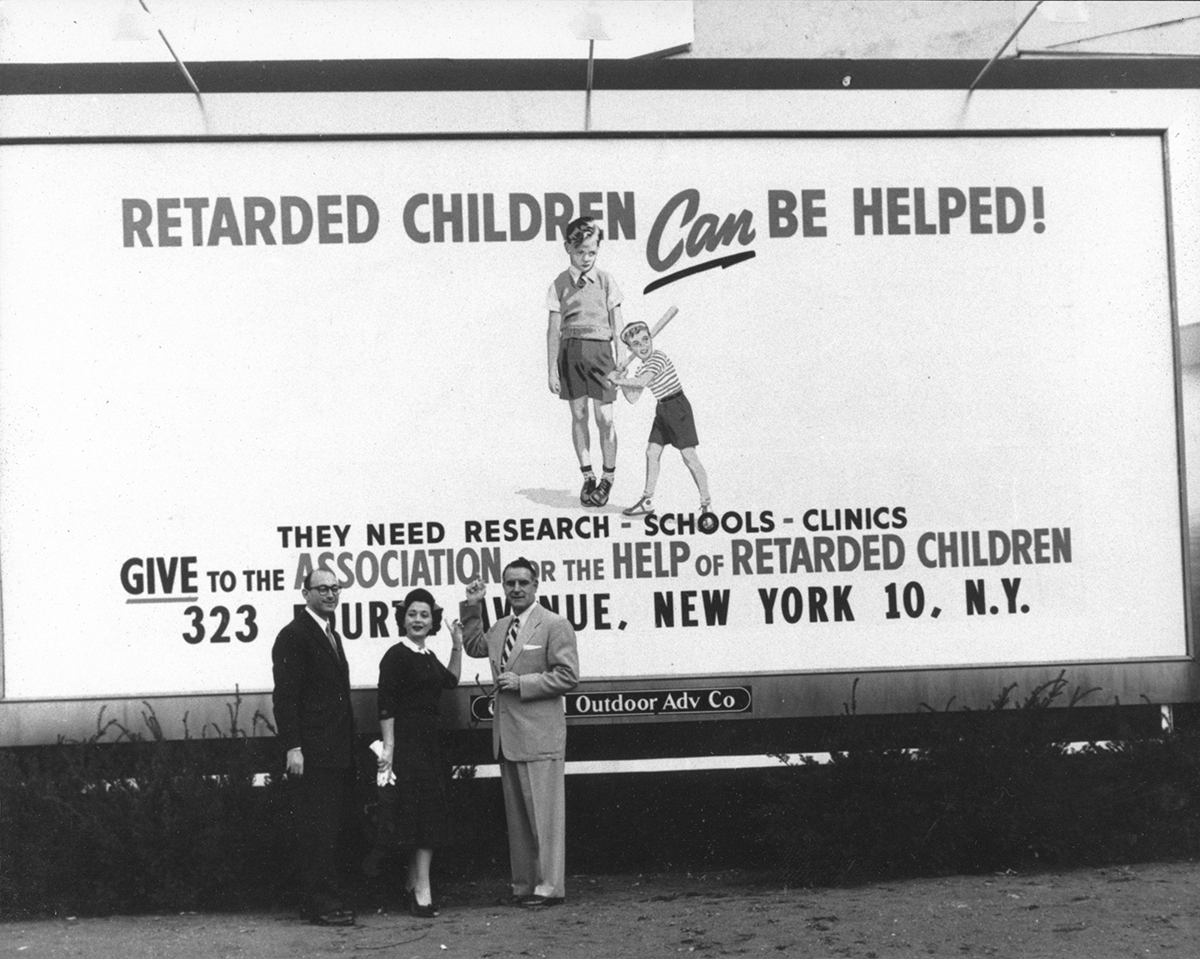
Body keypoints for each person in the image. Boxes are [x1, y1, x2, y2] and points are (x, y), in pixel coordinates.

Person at [460, 558, 579, 906]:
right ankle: (525, 885)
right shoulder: (499, 626)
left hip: (540, 738)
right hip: (508, 737)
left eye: (523, 583)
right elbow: (474, 647)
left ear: (536, 585)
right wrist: (472, 605)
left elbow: (568, 676)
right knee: (519, 823)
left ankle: (549, 887)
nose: (516, 589)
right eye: (510, 583)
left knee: (545, 819)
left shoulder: (554, 624)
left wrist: (521, 681)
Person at [271, 568, 358, 926]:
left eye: (335, 588)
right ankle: (323, 905)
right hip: (313, 752)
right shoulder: (294, 635)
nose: (330, 594)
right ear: (305, 593)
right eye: (322, 589)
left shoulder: (329, 633)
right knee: (317, 831)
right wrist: (293, 747)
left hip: (333, 750)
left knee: (326, 829)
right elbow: (286, 697)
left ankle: (317, 902)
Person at [371, 588, 462, 919]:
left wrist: (457, 644)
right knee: (417, 817)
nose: (418, 620)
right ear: (403, 618)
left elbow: (451, 681)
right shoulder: (395, 655)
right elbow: (385, 705)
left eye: (425, 615)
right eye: (412, 614)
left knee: (427, 815)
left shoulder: (426, 656)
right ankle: (422, 890)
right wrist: (389, 750)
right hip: (406, 746)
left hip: (429, 745)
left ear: (432, 620)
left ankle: (413, 884)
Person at [546, 216, 625, 507]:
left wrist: (622, 359)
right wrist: (552, 368)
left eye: (592, 252)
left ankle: (608, 478)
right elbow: (553, 330)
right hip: (571, 354)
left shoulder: (606, 281)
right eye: (580, 252)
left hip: (602, 355)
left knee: (605, 418)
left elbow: (618, 323)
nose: (586, 258)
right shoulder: (558, 284)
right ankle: (588, 475)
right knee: (579, 416)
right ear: (568, 248)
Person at [609, 320, 711, 516]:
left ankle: (706, 504)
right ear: (630, 348)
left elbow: (643, 382)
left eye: (645, 339)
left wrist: (618, 379)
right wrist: (622, 379)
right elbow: (632, 398)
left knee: (689, 457)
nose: (643, 346)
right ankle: (647, 500)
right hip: (662, 409)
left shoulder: (657, 358)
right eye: (636, 344)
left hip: (678, 408)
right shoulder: (640, 368)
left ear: (651, 338)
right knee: (652, 453)